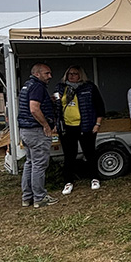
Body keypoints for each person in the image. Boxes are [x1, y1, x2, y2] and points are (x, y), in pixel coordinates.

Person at [55, 65, 105, 195]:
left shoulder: (89, 87)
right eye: (69, 73)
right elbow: (56, 107)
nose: (71, 76)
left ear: (80, 75)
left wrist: (97, 124)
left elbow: (99, 106)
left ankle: (94, 178)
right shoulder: (61, 88)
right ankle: (68, 182)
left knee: (89, 153)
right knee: (69, 155)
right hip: (67, 127)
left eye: (75, 73)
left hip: (86, 126)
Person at [17, 63, 58, 207]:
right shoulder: (37, 87)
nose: (50, 76)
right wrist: (46, 125)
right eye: (47, 73)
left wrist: (48, 101)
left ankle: (27, 197)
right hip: (36, 131)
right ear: (37, 74)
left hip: (26, 130)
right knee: (39, 165)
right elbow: (34, 109)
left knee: (30, 162)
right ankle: (40, 197)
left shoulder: (27, 85)